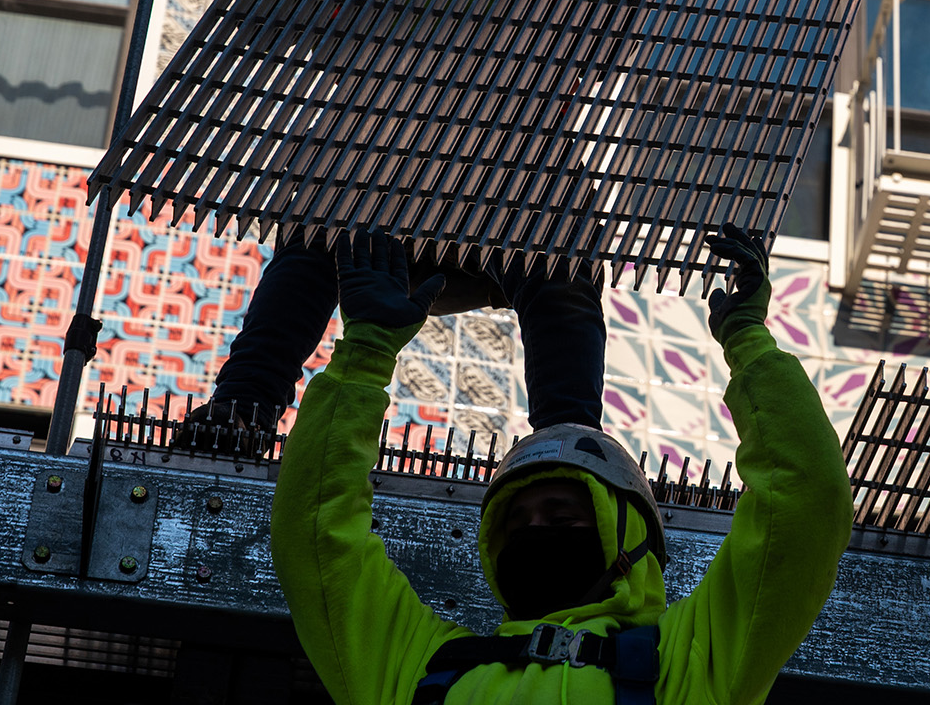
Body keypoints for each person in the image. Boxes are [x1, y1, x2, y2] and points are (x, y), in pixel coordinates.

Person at [181, 0, 569, 439]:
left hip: (508, 173)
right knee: (312, 239)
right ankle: (245, 410)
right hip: (380, 160)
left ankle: (571, 444)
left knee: (569, 266)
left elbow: (594, 55)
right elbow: (268, 22)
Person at [270, 225, 851, 705]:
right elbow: (317, 537)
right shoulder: (422, 669)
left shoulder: (688, 667)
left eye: (565, 515)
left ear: (630, 538)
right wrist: (364, 355)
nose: (535, 530)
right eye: (516, 522)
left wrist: (750, 343)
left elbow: (804, 504)